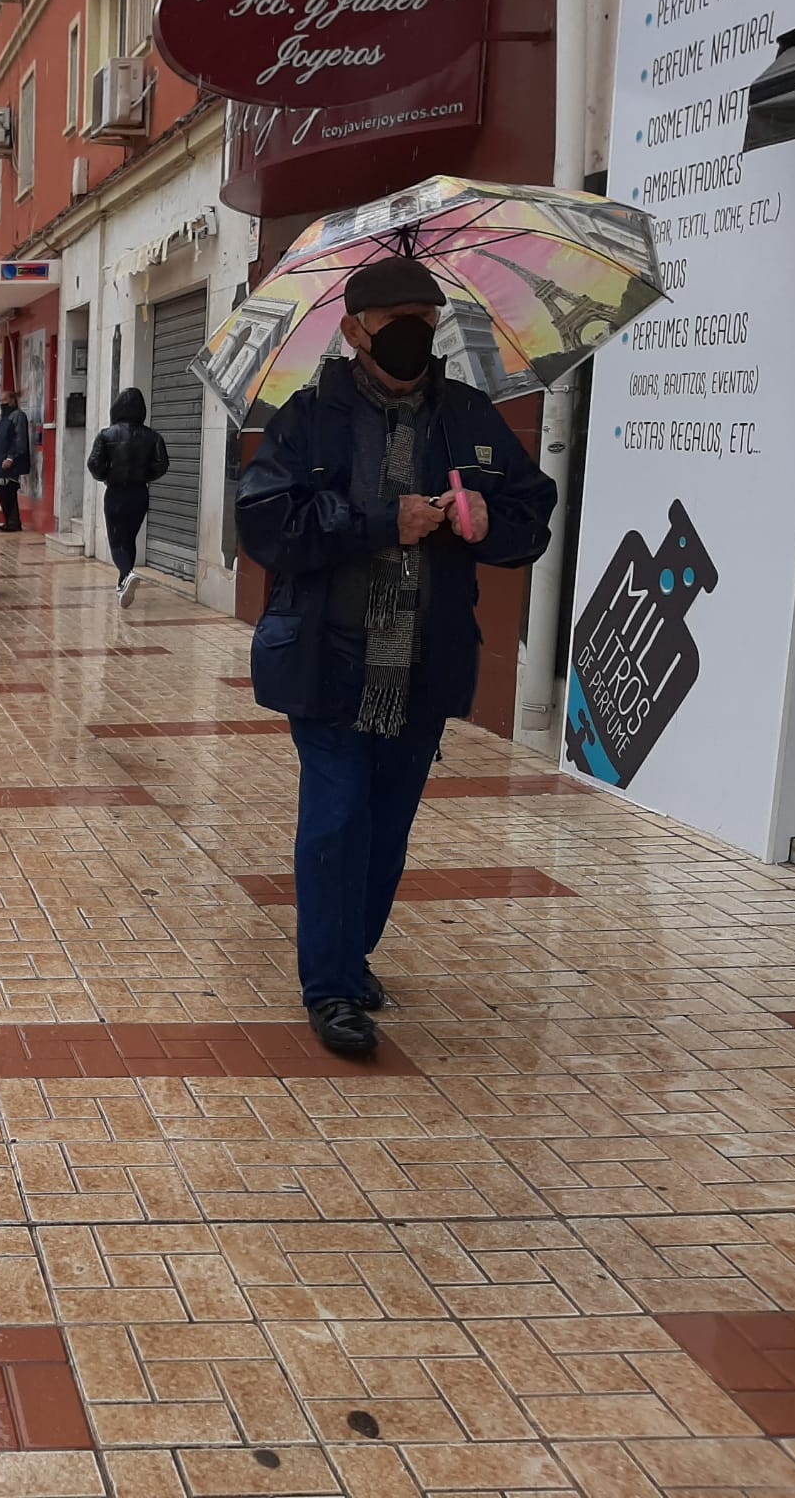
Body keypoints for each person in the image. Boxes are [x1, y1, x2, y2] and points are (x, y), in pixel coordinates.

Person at [236, 256, 557, 1057]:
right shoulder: (305, 420)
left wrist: (490, 518)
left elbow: (533, 519)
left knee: (387, 830)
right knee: (337, 823)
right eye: (396, 321)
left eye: (427, 318)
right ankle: (334, 989)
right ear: (353, 331)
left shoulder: (471, 417)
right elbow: (266, 525)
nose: (415, 335)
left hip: (424, 659)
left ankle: (352, 953)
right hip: (329, 657)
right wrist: (384, 521)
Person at [87, 387, 169, 608]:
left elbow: (94, 464)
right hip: (139, 492)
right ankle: (123, 583)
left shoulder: (106, 434)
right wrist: (144, 476)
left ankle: (127, 573)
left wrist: (106, 475)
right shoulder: (153, 436)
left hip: (115, 491)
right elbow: (162, 465)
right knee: (129, 537)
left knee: (116, 539)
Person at [0, 389, 30, 532]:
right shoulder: (4, 418)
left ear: (13, 400)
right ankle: (8, 521)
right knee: (1, 491)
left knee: (9, 491)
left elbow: (20, 440)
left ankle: (13, 522)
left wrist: (11, 457)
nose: (3, 404)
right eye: (1, 402)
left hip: (10, 463)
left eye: (5, 401)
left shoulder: (18, 416)